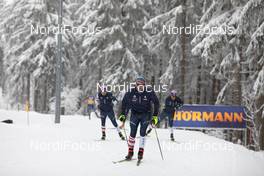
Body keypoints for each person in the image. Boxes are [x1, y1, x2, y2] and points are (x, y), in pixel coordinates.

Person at [119, 76, 160, 161]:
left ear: (144, 85)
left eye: (142, 85)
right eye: (139, 85)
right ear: (136, 85)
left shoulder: (149, 91)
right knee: (132, 133)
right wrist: (123, 115)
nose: (140, 86)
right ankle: (130, 152)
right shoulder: (130, 92)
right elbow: (124, 103)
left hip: (146, 114)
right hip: (134, 114)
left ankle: (140, 152)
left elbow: (156, 103)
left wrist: (155, 116)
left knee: (142, 133)